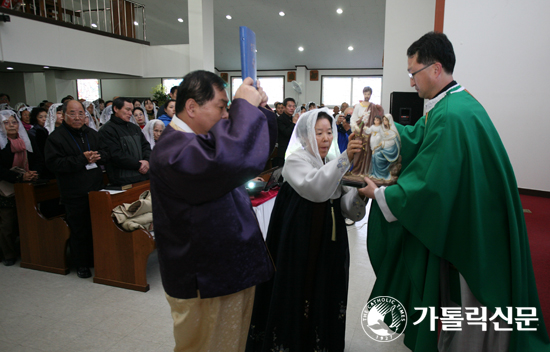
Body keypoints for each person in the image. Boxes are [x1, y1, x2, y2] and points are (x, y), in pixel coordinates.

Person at [359, 31, 550, 352]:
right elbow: (420, 138)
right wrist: (384, 124)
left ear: (435, 69)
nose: (410, 82)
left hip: (471, 226)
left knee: (468, 308)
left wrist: (380, 194)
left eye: (413, 73)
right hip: (476, 212)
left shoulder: (451, 115)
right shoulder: (456, 103)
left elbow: (428, 187)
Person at [149, 71, 277, 352]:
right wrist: (244, 107)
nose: (225, 115)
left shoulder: (199, 139)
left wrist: (259, 109)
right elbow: (228, 159)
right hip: (204, 279)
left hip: (228, 269)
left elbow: (246, 156)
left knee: (232, 343)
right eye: (221, 106)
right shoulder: (171, 150)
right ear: (192, 107)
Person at [246, 108, 366, 352]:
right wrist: (345, 160)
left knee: (325, 288)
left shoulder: (330, 162)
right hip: (301, 239)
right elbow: (317, 188)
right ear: (304, 136)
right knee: (300, 288)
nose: (325, 138)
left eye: (329, 132)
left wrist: (361, 192)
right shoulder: (295, 161)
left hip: (328, 240)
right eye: (318, 132)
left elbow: (344, 206)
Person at [44, 100, 108, 278]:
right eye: (73, 113)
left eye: (81, 113)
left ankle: (95, 259)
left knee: (96, 227)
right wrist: (82, 159)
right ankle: (81, 264)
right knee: (79, 229)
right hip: (74, 192)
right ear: (64, 115)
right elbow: (54, 164)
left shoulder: (92, 134)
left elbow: (106, 153)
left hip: (95, 189)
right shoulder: (56, 138)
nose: (78, 117)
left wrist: (98, 156)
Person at [0, 110, 38, 266]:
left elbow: (36, 158)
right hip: (4, 187)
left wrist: (34, 173)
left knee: (26, 220)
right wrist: (18, 177)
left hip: (25, 185)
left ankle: (28, 251)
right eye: (6, 123)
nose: (11, 125)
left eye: (14, 122)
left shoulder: (26, 139)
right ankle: (8, 254)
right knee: (7, 223)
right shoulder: (2, 144)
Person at [99, 97, 151, 186]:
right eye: (127, 110)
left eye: (131, 110)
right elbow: (115, 155)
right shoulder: (107, 130)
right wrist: (139, 165)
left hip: (143, 176)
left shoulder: (134, 128)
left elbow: (145, 146)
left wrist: (147, 161)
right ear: (115, 109)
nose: (130, 113)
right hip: (123, 179)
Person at [369, 114, 400, 181]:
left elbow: (393, 143)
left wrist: (382, 144)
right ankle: (375, 174)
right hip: (383, 148)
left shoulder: (393, 131)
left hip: (390, 151)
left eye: (386, 120)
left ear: (389, 121)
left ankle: (382, 174)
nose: (384, 121)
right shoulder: (383, 129)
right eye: (383, 120)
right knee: (373, 155)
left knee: (377, 155)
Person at [274, 97, 296, 167]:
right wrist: (294, 123)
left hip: (293, 151)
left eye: (293, 106)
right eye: (289, 106)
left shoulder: (292, 118)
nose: (292, 108)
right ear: (284, 107)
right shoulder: (280, 119)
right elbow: (286, 133)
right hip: (283, 152)